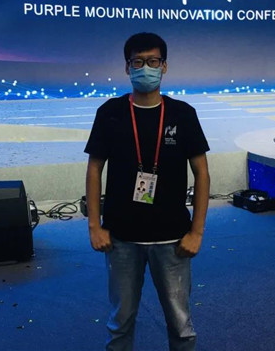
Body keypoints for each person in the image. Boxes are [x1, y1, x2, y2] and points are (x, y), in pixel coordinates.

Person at [85, 32, 211, 351]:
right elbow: (94, 169)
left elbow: (202, 172)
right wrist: (95, 226)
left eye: (153, 61)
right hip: (121, 239)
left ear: (164, 66)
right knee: (120, 323)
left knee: (181, 325)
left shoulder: (183, 114)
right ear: (127, 68)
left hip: (173, 240)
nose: (146, 68)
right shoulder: (110, 112)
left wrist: (196, 232)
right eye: (138, 62)